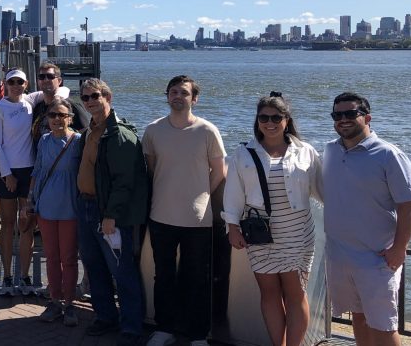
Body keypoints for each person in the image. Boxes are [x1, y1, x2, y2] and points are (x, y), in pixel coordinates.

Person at [223, 92, 322, 346]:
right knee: (269, 294)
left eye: (276, 117)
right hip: (260, 234)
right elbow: (233, 194)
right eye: (264, 117)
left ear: (286, 120)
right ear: (257, 121)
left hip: (298, 233)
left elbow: (324, 191)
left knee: (295, 294)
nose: (270, 122)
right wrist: (232, 227)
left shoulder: (305, 151)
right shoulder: (243, 153)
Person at [322, 92, 411, 346]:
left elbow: (409, 205)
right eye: (337, 115)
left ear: (367, 117)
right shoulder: (330, 150)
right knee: (359, 318)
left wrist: (399, 249)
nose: (343, 119)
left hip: (376, 259)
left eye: (350, 114)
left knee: (384, 326)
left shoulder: (388, 155)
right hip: (339, 256)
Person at [142, 75, 227, 346]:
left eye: (184, 93)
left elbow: (219, 170)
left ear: (194, 99)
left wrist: (201, 196)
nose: (178, 96)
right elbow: (152, 168)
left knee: (196, 278)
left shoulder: (207, 130)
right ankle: (164, 328)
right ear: (167, 96)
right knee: (163, 275)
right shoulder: (153, 130)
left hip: (198, 219)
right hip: (161, 215)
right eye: (174, 92)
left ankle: (197, 334)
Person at [74, 79, 149, 346]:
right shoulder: (90, 131)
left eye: (95, 96)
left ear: (108, 97)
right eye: (85, 98)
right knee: (94, 267)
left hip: (107, 212)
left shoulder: (119, 136)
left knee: (121, 270)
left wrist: (111, 215)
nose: (90, 101)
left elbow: (124, 182)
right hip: (85, 206)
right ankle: (105, 316)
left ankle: (131, 326)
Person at [21, 97, 81, 324]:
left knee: (69, 258)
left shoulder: (78, 141)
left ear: (70, 118)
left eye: (62, 115)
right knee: (52, 257)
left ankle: (70, 304)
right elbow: (37, 171)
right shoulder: (44, 141)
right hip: (46, 207)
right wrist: (29, 199)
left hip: (69, 208)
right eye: (53, 115)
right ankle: (55, 301)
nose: (57, 119)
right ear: (47, 118)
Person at [0, 69, 36, 296]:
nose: (16, 85)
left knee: (26, 224)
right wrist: (6, 173)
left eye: (20, 82)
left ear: (26, 84)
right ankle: (7, 276)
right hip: (6, 170)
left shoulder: (30, 102)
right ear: (5, 85)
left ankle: (25, 276)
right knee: (8, 224)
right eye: (12, 82)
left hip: (28, 170)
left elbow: (61, 90)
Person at [29, 62, 89, 140]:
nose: (46, 80)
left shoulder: (71, 106)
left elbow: (85, 132)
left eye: (50, 76)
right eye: (41, 77)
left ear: (59, 80)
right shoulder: (37, 107)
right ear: (38, 81)